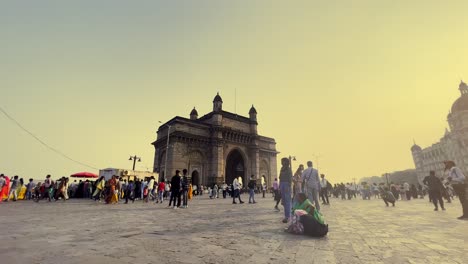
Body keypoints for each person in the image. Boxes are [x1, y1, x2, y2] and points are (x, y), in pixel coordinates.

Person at [279, 157, 293, 223]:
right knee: (284, 201)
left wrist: (289, 186)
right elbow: (280, 178)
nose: (281, 162)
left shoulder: (288, 169)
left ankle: (288, 216)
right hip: (282, 184)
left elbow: (290, 178)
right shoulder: (282, 169)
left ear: (286, 162)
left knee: (287, 201)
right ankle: (286, 215)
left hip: (287, 185)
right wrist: (279, 186)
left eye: (282, 161)